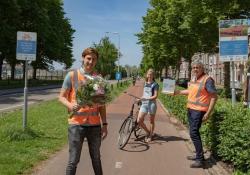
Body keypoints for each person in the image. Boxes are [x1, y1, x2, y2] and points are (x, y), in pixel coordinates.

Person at [58, 47, 108, 175]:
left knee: (96, 158)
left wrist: (105, 124)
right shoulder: (72, 75)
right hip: (76, 124)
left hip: (95, 126)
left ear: (96, 61)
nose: (91, 62)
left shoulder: (99, 78)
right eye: (88, 58)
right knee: (73, 160)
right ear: (83, 58)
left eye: (94, 59)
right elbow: (61, 97)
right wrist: (70, 105)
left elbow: (102, 104)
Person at [173, 60, 218, 168]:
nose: (195, 69)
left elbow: (214, 96)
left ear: (202, 68)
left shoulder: (207, 80)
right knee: (193, 132)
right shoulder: (194, 79)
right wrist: (177, 92)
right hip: (191, 109)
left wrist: (208, 112)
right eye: (193, 67)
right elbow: (190, 91)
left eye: (197, 67)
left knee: (193, 133)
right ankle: (199, 154)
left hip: (199, 110)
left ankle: (200, 160)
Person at [137, 68, 159, 142]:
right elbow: (144, 94)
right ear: (147, 75)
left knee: (151, 121)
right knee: (139, 120)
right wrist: (140, 99)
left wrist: (147, 98)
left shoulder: (155, 84)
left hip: (151, 104)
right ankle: (148, 132)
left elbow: (156, 96)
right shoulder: (145, 83)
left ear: (153, 76)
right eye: (148, 74)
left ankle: (150, 136)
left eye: (151, 74)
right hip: (144, 104)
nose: (149, 76)